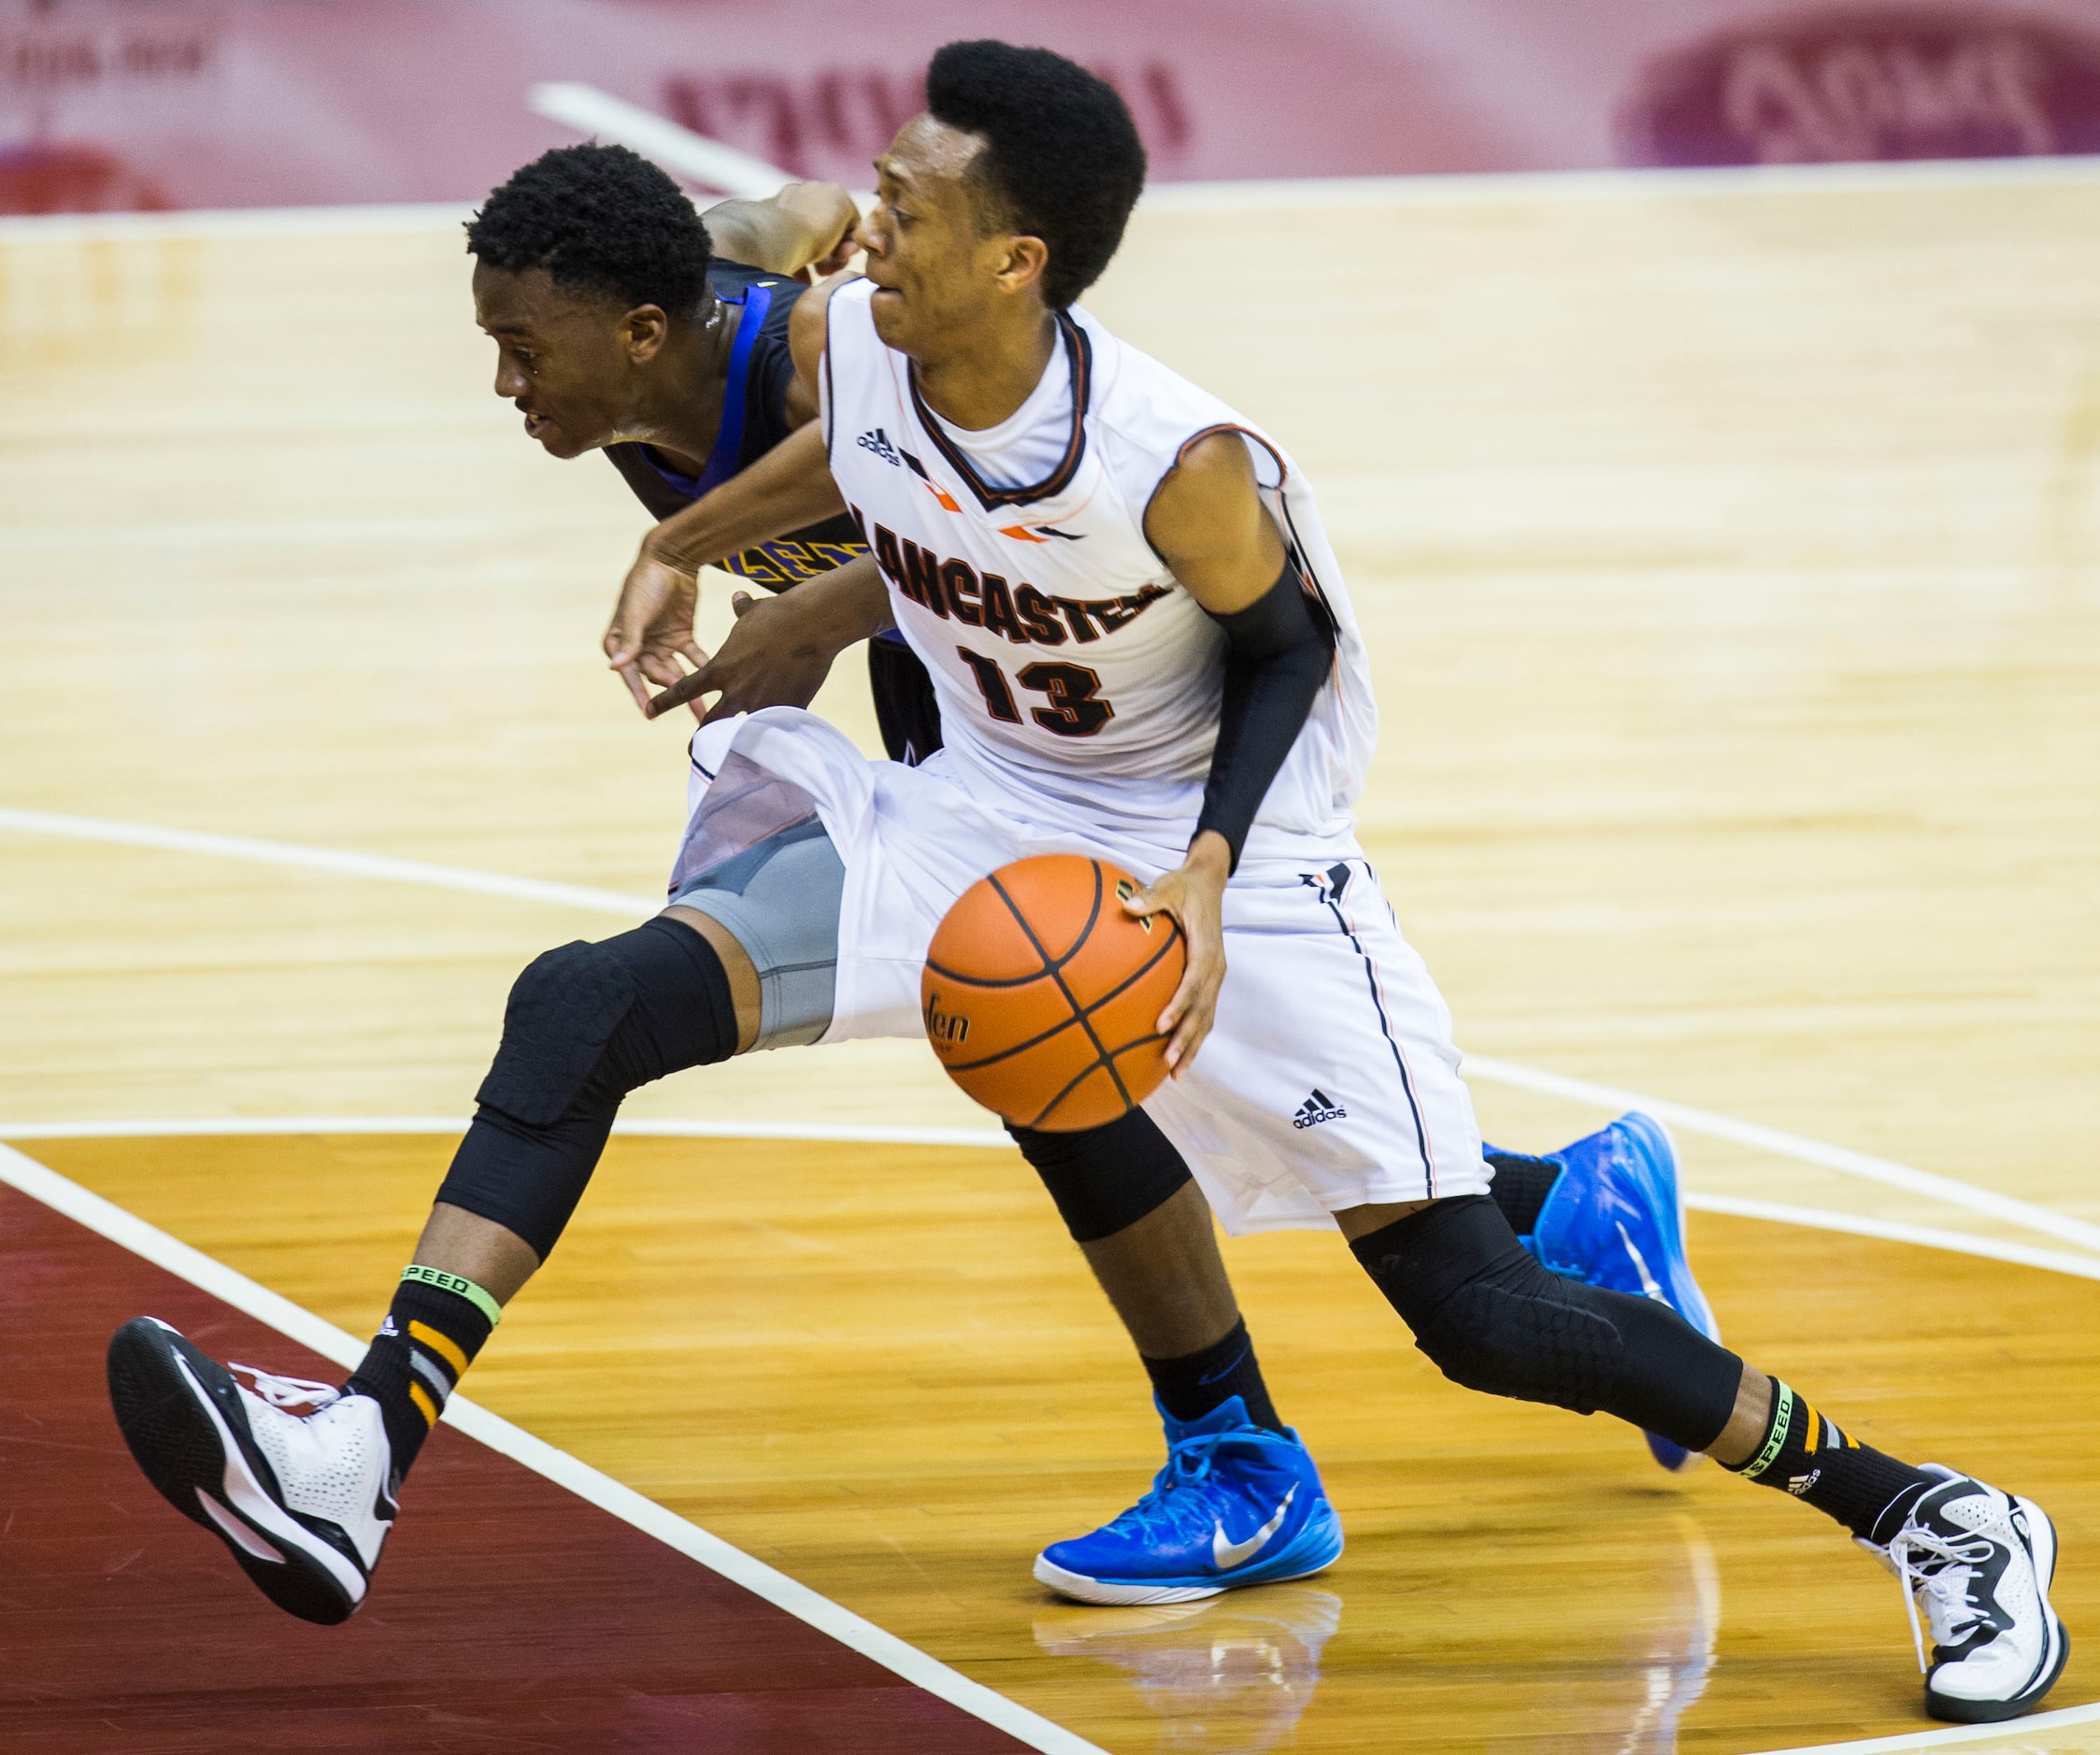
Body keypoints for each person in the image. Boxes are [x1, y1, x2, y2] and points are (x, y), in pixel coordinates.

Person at [105, 44, 2062, 1724]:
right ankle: (358, 1446)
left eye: (909, 194)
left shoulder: (1167, 451)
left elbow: (1287, 655)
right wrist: (688, 540)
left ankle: (1930, 1511)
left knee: (1467, 1312)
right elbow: (847, 456)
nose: (868, 214)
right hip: (980, 795)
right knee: (588, 1000)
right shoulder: (857, 334)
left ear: (1016, 254)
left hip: (1228, 848)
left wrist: (1208, 878)